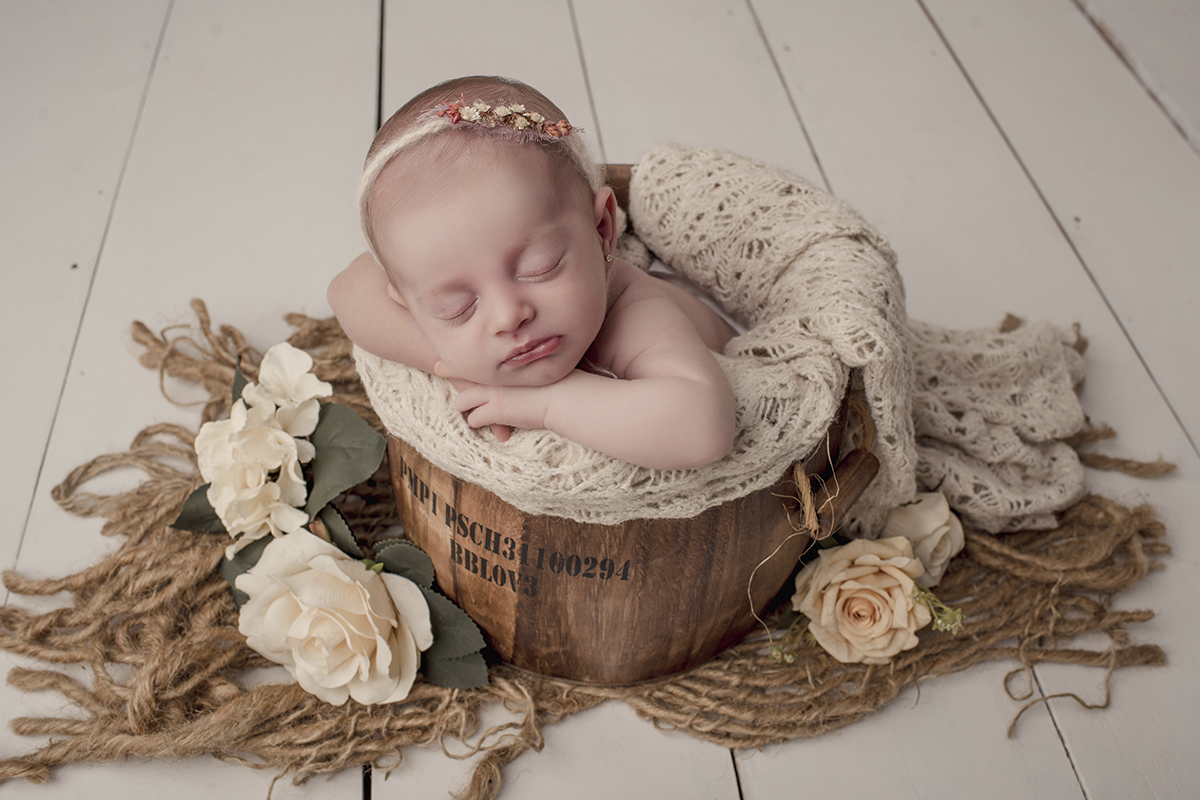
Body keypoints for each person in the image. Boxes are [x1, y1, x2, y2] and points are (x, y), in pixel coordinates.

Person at [328, 76, 737, 470]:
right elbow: (346, 290)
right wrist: (451, 363)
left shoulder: (635, 310)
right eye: (456, 308)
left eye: (539, 267)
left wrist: (547, 403)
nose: (509, 315)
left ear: (603, 231)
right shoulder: (438, 288)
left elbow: (704, 428)